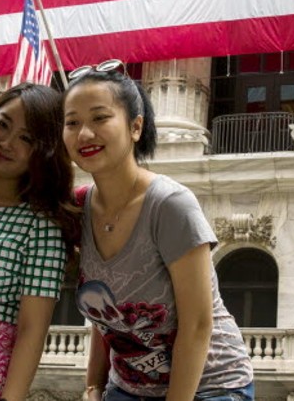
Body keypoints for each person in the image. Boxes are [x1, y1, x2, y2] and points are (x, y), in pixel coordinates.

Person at [62, 61, 254, 401]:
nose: (84, 134)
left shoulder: (171, 205)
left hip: (210, 386)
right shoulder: (79, 208)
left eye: (100, 118)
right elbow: (107, 320)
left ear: (136, 127)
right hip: (127, 387)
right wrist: (93, 386)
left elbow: (197, 326)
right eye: (72, 122)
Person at [0, 82, 81, 401]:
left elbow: (31, 330)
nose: (6, 143)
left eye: (26, 138)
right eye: (3, 124)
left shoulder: (41, 224)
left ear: (45, 150)